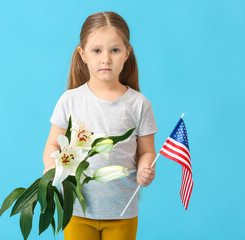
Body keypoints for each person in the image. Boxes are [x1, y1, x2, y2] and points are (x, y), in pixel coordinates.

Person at [42, 11, 158, 240]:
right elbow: (52, 145)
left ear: (127, 53)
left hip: (122, 211)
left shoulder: (139, 104)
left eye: (114, 50)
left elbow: (146, 151)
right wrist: (50, 169)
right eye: (97, 50)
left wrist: (146, 168)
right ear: (82, 54)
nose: (106, 59)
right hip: (75, 210)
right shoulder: (70, 100)